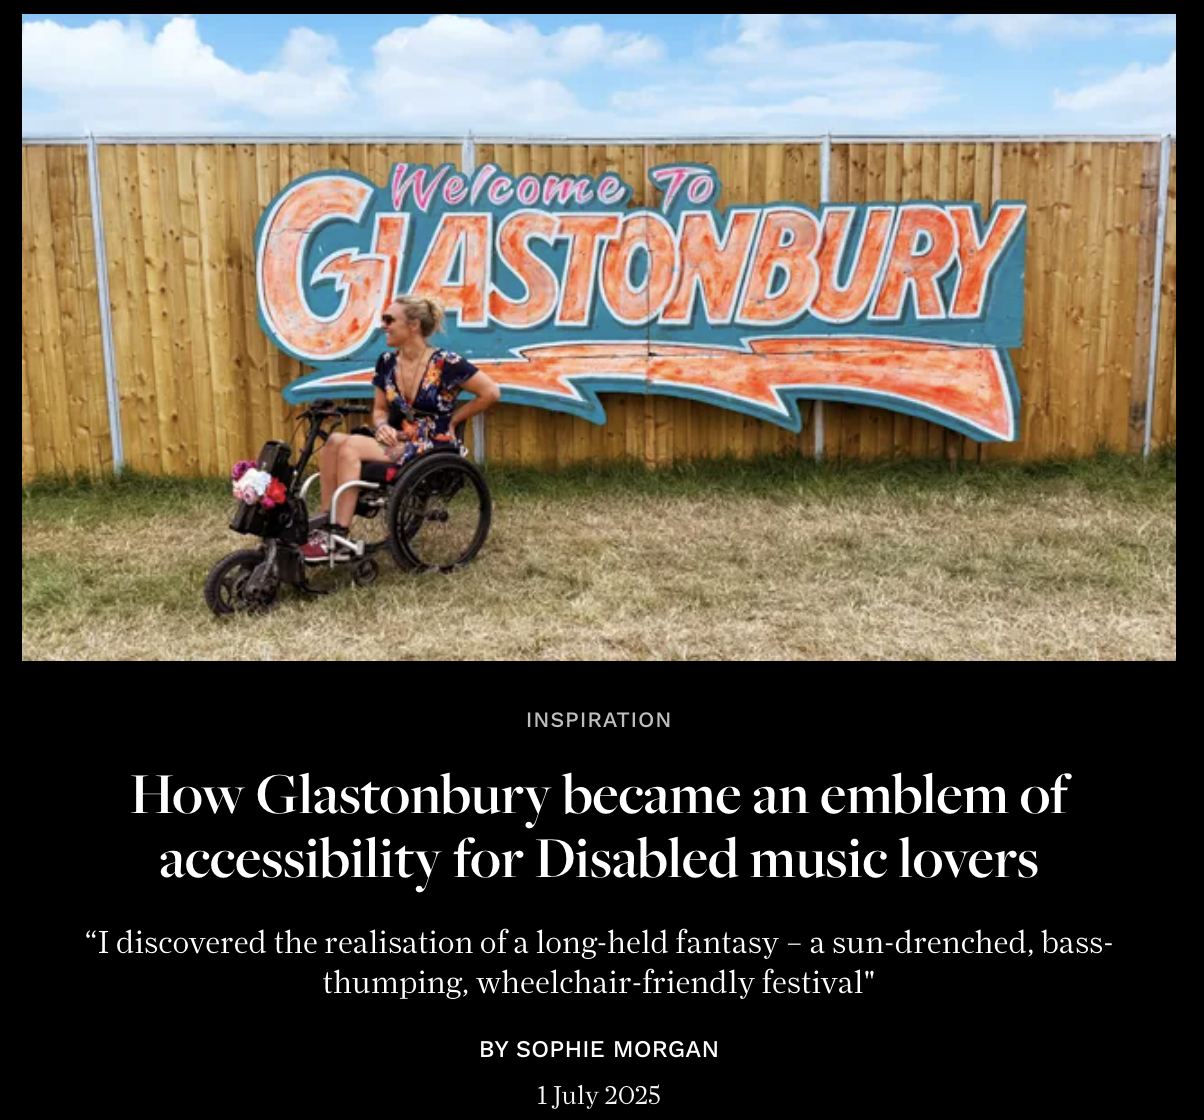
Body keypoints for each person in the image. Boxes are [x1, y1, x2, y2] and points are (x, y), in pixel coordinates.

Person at [300, 294, 501, 562]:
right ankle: (325, 523)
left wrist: (454, 420)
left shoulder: (446, 363)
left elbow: (491, 392)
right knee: (335, 440)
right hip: (399, 437)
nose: (383, 325)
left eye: (389, 319)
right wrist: (382, 426)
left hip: (432, 443)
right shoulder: (386, 362)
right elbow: (381, 410)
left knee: (348, 447)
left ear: (413, 325)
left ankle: (339, 535)